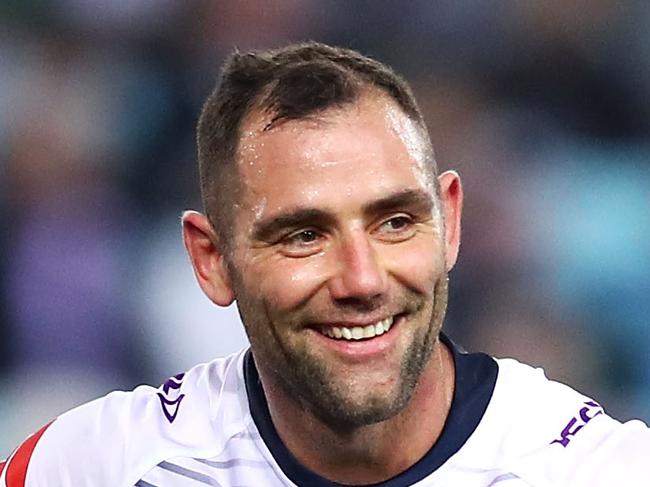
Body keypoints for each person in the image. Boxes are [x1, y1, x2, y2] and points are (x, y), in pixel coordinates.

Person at [1, 41, 648, 487]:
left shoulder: (597, 470)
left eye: (396, 221)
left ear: (449, 220)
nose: (363, 279)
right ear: (212, 259)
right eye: (303, 235)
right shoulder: (91, 466)